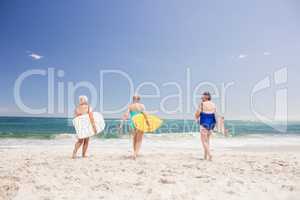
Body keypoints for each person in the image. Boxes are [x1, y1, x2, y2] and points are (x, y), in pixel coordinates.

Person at [195, 92, 217, 161]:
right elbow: (215, 114)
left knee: (203, 140)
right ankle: (205, 156)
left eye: (202, 97)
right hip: (212, 122)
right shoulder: (213, 104)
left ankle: (209, 155)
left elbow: (197, 113)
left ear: (206, 97)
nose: (201, 98)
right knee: (207, 141)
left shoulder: (202, 104)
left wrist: (196, 118)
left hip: (204, 122)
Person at [123, 95, 146, 160]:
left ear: (133, 99)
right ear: (139, 99)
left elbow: (126, 114)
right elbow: (144, 114)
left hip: (132, 123)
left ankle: (135, 153)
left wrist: (122, 122)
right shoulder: (142, 106)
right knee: (139, 139)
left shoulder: (130, 106)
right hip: (140, 122)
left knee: (134, 139)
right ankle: (135, 154)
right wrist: (148, 122)